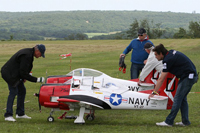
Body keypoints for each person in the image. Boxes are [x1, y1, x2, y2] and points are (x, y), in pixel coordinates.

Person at [149, 44, 198, 127]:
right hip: (189, 76)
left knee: (177, 98)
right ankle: (185, 122)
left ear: (161, 53)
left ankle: (169, 121)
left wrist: (154, 92)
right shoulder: (170, 53)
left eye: (156, 55)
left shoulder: (167, 60)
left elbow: (161, 79)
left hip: (188, 77)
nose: (155, 57)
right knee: (182, 99)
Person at [1, 44, 46, 122]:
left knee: (22, 91)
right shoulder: (26, 55)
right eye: (40, 54)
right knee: (13, 92)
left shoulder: (29, 53)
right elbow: (23, 72)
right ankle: (8, 115)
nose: (40, 56)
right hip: (9, 74)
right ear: (37, 51)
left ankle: (20, 113)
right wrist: (37, 80)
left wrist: (24, 77)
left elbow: (23, 69)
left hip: (15, 74)